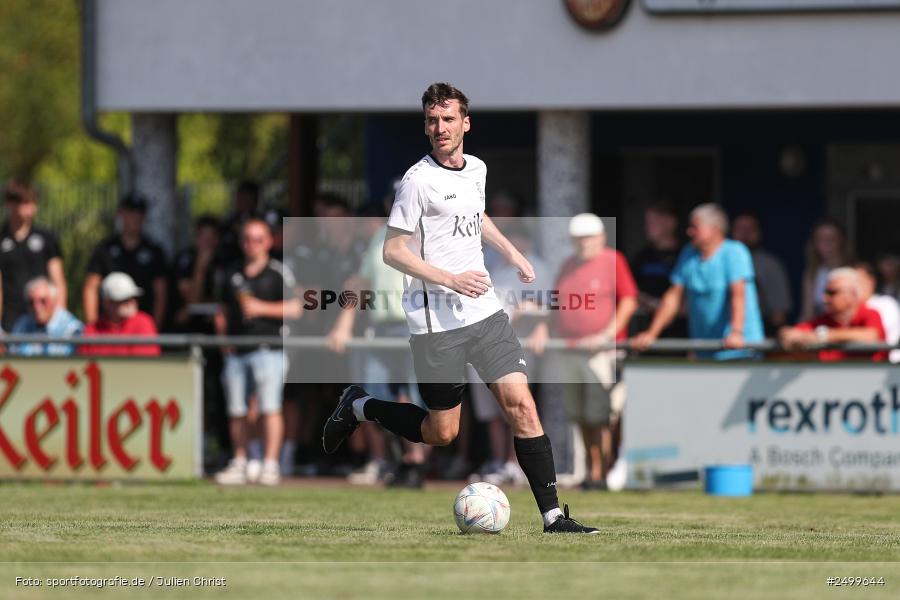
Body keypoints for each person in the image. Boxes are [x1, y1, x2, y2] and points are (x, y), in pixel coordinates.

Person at [322, 82, 598, 533]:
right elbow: (394, 251)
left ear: (465, 123)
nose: (440, 128)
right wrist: (451, 279)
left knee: (522, 406)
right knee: (441, 433)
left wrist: (512, 252)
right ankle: (361, 405)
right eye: (432, 120)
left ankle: (553, 517)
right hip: (436, 323)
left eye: (448, 119)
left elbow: (476, 214)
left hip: (484, 313)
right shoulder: (416, 181)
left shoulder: (477, 169)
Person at [529, 214, 638, 490]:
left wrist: (606, 335)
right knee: (580, 415)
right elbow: (555, 303)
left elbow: (628, 301)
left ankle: (602, 472)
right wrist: (542, 327)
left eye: (588, 237)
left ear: (601, 237)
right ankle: (592, 471)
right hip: (570, 350)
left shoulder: (614, 261)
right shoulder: (568, 265)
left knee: (601, 415)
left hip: (602, 352)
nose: (583, 243)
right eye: (578, 238)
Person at [214, 218, 302, 486]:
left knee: (270, 407)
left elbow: (297, 308)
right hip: (237, 351)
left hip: (270, 349)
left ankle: (270, 463)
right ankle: (241, 461)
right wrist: (223, 341)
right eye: (247, 239)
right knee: (237, 409)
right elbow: (222, 311)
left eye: (258, 239)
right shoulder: (231, 273)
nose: (252, 245)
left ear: (269, 241)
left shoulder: (279, 272)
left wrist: (261, 308)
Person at [632, 203, 764, 360]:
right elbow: (673, 296)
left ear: (714, 228)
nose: (689, 231)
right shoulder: (688, 253)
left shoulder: (735, 252)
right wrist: (652, 333)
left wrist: (736, 333)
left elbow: (738, 294)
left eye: (695, 227)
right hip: (704, 351)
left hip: (739, 351)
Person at [83, 194, 168, 328]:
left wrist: (154, 330)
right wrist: (93, 329)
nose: (134, 217)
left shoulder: (154, 251)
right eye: (130, 212)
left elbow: (161, 292)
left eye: (138, 212)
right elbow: (91, 287)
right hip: (107, 328)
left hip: (141, 329)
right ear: (120, 214)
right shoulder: (104, 249)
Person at [0, 180, 67, 333]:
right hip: (11, 320)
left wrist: (59, 318)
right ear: (10, 204)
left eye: (32, 202)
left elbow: (58, 280)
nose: (31, 208)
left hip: (43, 319)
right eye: (25, 202)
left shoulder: (47, 238)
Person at [779, 267, 886, 362]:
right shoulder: (824, 319)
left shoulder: (870, 314)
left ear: (852, 294)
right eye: (825, 292)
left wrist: (824, 335)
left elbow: (871, 336)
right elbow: (793, 333)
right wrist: (787, 335)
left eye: (832, 292)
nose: (825, 298)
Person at [629, 201, 685, 337]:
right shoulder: (642, 257)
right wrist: (648, 302)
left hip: (681, 333)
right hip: (645, 334)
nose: (648, 227)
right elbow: (631, 291)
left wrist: (667, 308)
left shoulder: (686, 256)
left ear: (671, 223)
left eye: (654, 222)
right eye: (647, 222)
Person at [731, 212, 793, 334]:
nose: (745, 234)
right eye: (740, 229)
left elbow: (779, 315)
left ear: (759, 233)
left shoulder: (770, 265)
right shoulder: (722, 260)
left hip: (757, 332)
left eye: (750, 229)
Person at [81, 272, 161, 356]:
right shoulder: (92, 330)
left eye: (133, 297)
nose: (131, 302)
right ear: (107, 303)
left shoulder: (144, 322)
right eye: (124, 299)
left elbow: (143, 364)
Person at [10, 277, 83, 357]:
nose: (36, 307)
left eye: (43, 301)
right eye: (31, 302)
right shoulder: (21, 325)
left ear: (54, 300)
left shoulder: (72, 329)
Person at [800, 219, 850, 321]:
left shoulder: (853, 270)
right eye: (821, 239)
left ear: (842, 240)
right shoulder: (812, 273)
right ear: (814, 243)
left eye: (832, 238)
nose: (827, 243)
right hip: (819, 329)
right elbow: (807, 313)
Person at [853, 261, 899, 363]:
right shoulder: (847, 309)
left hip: (889, 367)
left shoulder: (886, 304)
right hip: (860, 365)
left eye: (859, 281)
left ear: (871, 281)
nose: (855, 287)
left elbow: (874, 336)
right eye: (851, 283)